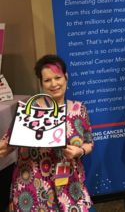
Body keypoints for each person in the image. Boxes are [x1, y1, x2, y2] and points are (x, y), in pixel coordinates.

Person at [0, 54, 94, 212]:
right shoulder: (28, 110)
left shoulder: (79, 109)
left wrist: (80, 150)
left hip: (69, 184)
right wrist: (5, 148)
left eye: (58, 77)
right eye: (47, 80)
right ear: (41, 83)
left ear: (66, 77)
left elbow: (89, 142)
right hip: (32, 184)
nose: (54, 84)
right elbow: (8, 144)